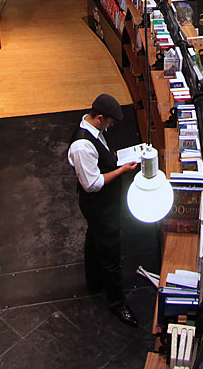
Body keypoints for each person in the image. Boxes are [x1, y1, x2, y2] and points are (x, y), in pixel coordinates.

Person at [67, 94, 140, 326]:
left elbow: (102, 158)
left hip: (101, 206)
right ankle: (118, 303)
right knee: (110, 252)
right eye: (109, 121)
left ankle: (94, 281)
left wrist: (117, 158)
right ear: (99, 118)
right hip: (99, 205)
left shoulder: (93, 132)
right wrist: (121, 170)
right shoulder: (82, 146)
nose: (111, 126)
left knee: (94, 238)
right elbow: (92, 183)